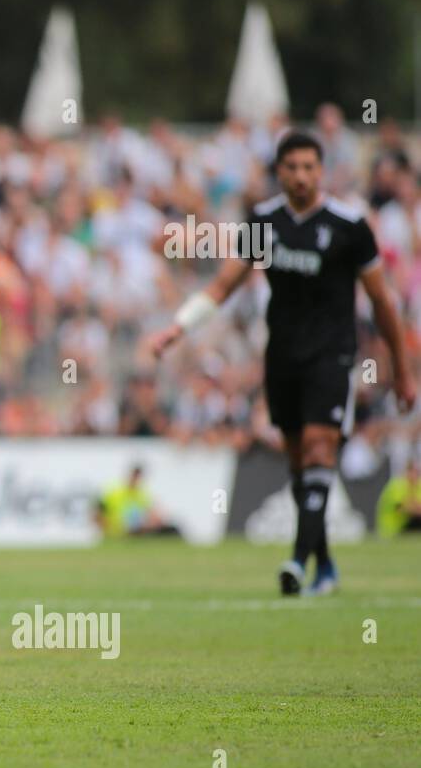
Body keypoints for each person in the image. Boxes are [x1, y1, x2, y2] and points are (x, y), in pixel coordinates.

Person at [149, 131, 416, 595]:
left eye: (309, 167)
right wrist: (179, 325)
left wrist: (403, 371)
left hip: (333, 356)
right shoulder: (263, 221)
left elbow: (382, 303)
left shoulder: (349, 225)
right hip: (282, 356)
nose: (300, 176)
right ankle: (325, 566)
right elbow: (223, 287)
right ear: (279, 172)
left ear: (322, 170)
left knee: (318, 447)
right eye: (291, 167)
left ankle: (296, 561)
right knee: (298, 462)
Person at [376, 457, 421, 537]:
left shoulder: (418, 486)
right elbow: (401, 508)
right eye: (412, 471)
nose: (415, 475)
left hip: (407, 527)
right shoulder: (397, 485)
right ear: (406, 472)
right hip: (392, 530)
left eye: (417, 472)